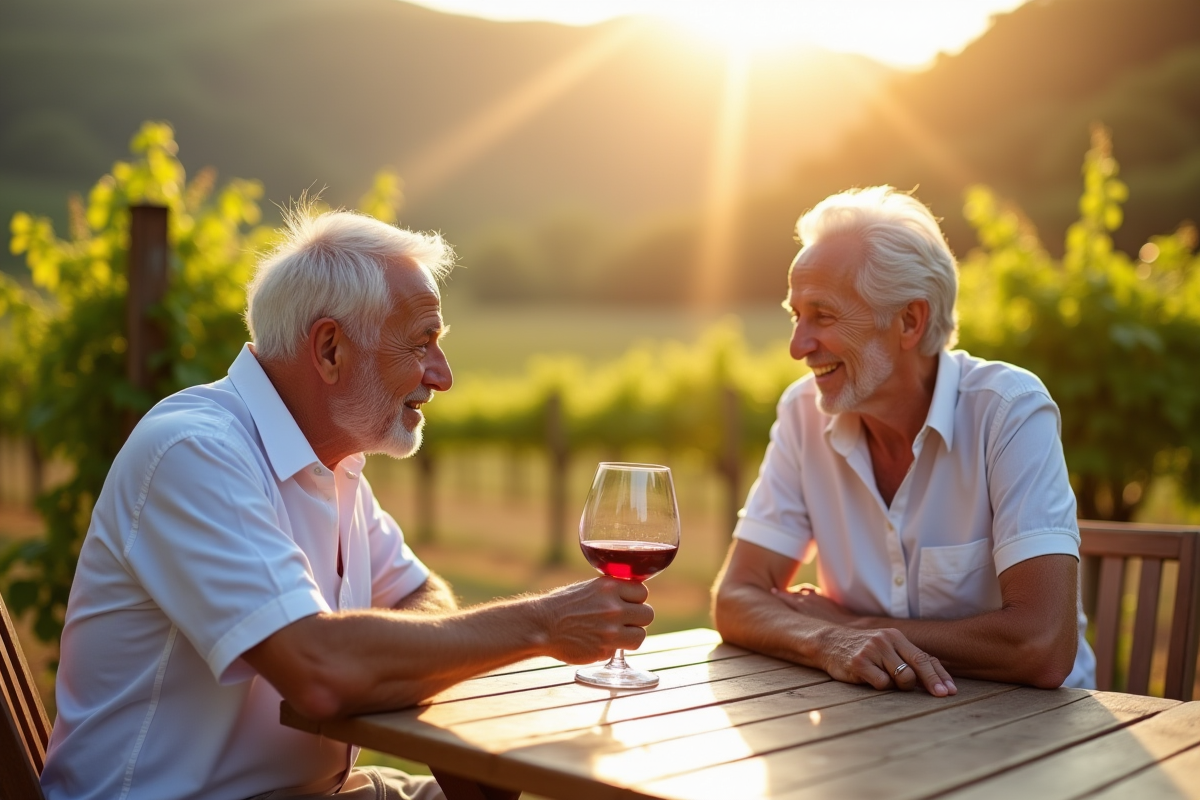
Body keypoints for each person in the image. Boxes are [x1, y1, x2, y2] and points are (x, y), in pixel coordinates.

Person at [40, 209, 653, 800]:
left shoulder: (332, 460)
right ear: (330, 349)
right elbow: (320, 672)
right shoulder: (196, 452)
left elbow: (426, 596)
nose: (442, 376)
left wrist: (372, 660)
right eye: (422, 343)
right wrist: (541, 623)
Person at [712, 186, 1096, 697]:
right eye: (794, 315)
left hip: (1038, 735)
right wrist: (825, 639)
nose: (797, 346)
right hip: (879, 727)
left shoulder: (1008, 409)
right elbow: (736, 596)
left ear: (909, 321)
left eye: (822, 316)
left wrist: (855, 627)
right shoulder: (803, 411)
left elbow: (1042, 645)